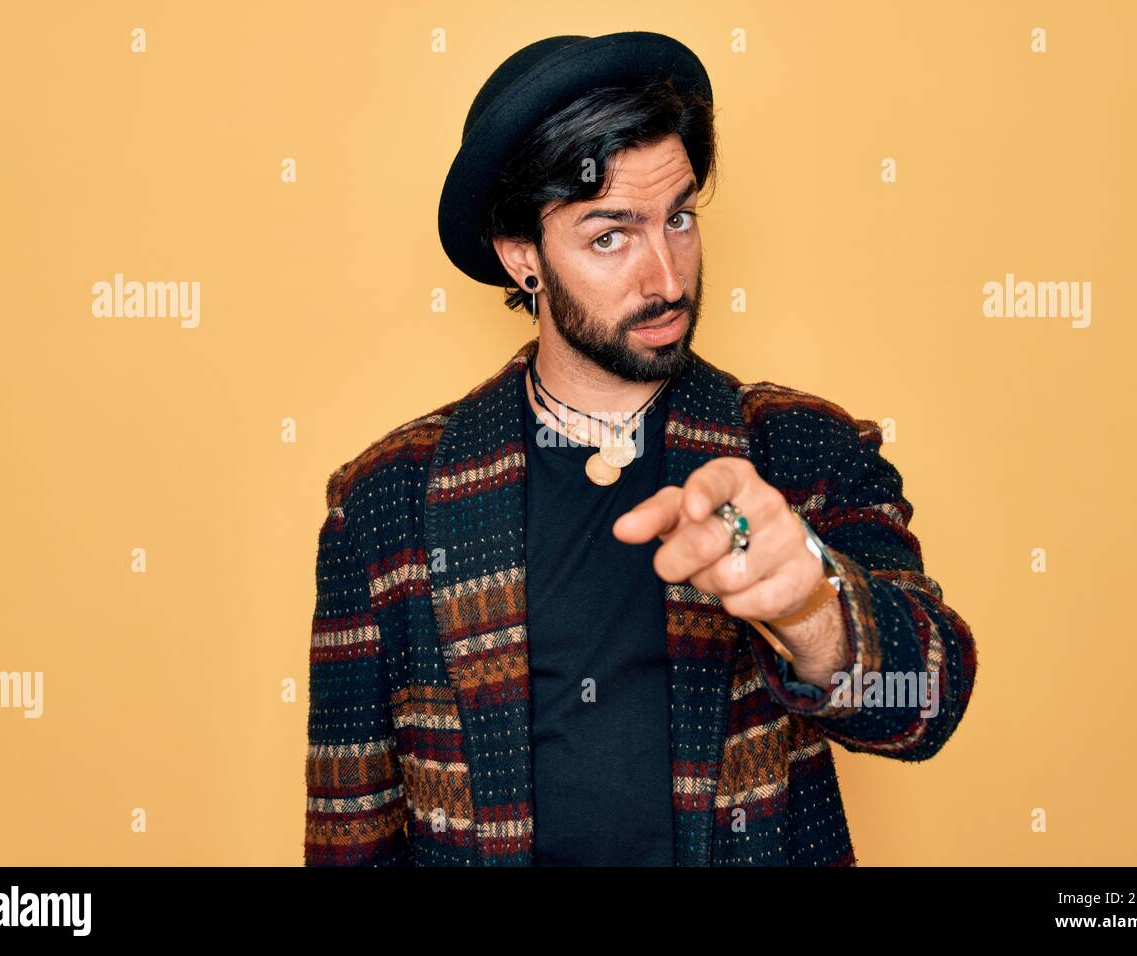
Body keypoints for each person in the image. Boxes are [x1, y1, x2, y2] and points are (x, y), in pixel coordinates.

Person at [304, 31, 977, 866]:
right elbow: (348, 829)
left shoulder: (801, 447)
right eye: (610, 236)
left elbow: (932, 702)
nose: (666, 277)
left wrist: (814, 610)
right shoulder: (384, 501)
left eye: (681, 218)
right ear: (524, 258)